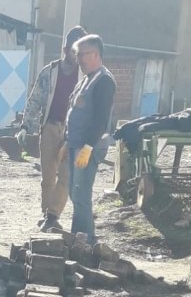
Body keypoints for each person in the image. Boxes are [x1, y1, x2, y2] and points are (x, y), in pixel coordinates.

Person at [17, 24, 87, 232]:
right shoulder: (50, 72)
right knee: (47, 176)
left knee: (66, 175)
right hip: (49, 127)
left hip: (73, 132)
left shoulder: (85, 77)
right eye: (74, 52)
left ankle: (53, 215)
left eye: (81, 53)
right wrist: (25, 126)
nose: (77, 57)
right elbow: (35, 99)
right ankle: (46, 213)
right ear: (65, 50)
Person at [65, 34, 117, 245]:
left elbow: (101, 121)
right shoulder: (86, 79)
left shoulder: (104, 81)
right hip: (75, 144)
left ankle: (85, 241)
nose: (78, 60)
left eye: (81, 55)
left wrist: (87, 147)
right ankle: (80, 237)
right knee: (74, 192)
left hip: (88, 147)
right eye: (77, 55)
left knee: (81, 194)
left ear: (95, 54)